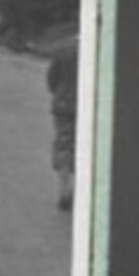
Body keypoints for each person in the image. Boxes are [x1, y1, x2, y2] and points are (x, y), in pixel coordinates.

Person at [47, 36, 79, 211]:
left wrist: (60, 93)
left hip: (63, 104)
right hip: (88, 105)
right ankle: (77, 189)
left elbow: (52, 79)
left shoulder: (63, 48)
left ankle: (63, 190)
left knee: (63, 145)